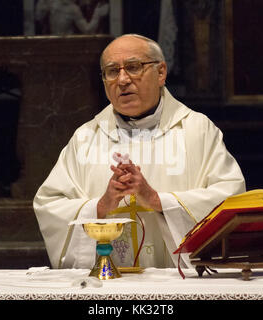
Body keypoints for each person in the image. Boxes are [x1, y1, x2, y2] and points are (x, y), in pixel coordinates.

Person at [33, 34, 246, 269]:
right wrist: (102, 206)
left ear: (161, 73)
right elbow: (49, 204)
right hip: (108, 288)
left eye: (134, 67)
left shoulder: (197, 130)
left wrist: (157, 200)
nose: (122, 79)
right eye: (112, 71)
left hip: (177, 286)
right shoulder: (86, 137)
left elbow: (230, 197)